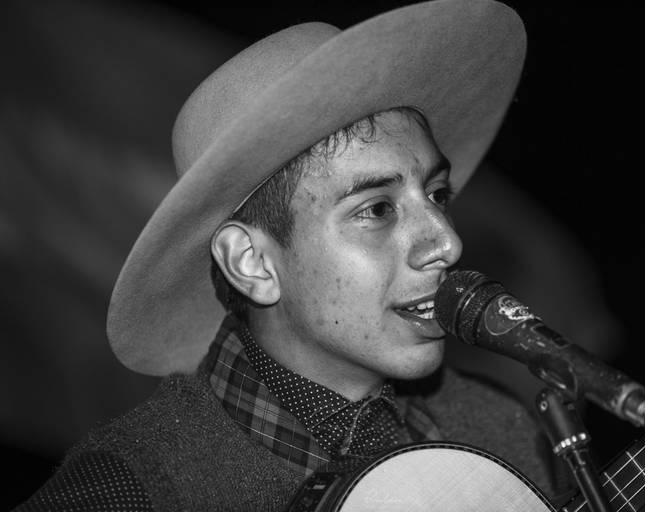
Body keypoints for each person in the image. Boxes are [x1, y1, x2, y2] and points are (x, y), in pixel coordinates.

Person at [17, 1, 565, 510]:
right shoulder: (134, 489)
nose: (447, 242)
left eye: (438, 195)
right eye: (377, 209)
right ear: (252, 264)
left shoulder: (501, 429)